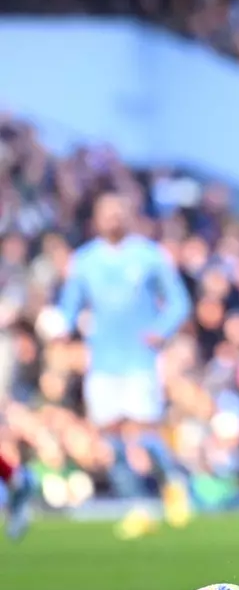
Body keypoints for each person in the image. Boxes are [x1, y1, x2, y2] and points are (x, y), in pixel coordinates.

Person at [49, 191, 193, 530]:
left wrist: (161, 330)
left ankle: (173, 486)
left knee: (144, 431)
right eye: (106, 212)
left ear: (129, 215)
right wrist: (60, 328)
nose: (113, 218)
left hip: (139, 358)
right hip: (103, 360)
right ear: (96, 219)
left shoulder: (149, 256)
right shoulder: (85, 261)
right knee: (110, 435)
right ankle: (138, 506)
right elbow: (69, 307)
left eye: (119, 212)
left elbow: (178, 302)